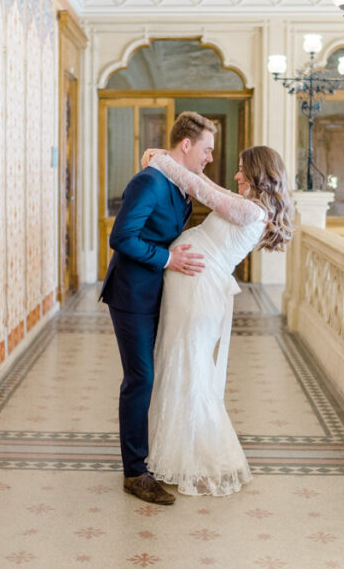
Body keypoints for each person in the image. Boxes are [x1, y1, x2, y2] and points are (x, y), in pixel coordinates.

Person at [142, 145, 294, 496]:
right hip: (192, 285)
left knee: (191, 370)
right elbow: (207, 183)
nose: (237, 175)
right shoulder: (249, 205)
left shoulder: (250, 212)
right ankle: (179, 454)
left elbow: (201, 190)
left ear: (258, 173)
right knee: (179, 366)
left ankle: (203, 461)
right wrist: (170, 156)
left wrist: (162, 162)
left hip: (198, 290)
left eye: (242, 170)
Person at [100, 111, 216, 505]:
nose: (210, 157)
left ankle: (152, 457)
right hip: (131, 295)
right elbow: (122, 237)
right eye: (207, 149)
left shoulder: (180, 183)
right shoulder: (149, 180)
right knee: (140, 379)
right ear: (186, 145)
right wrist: (168, 259)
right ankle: (134, 473)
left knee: (156, 375)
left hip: (159, 294)